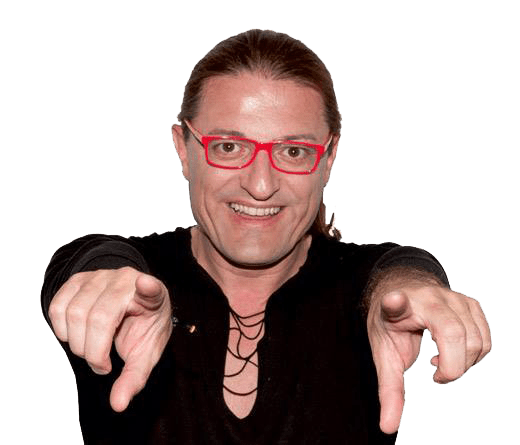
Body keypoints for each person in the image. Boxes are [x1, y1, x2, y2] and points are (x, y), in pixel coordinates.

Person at [41, 29, 491, 444]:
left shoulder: (361, 288)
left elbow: (397, 272)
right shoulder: (134, 283)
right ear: (183, 148)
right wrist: (102, 276)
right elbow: (89, 257)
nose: (260, 185)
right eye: (228, 147)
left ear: (328, 158)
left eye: (293, 151)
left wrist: (413, 287)